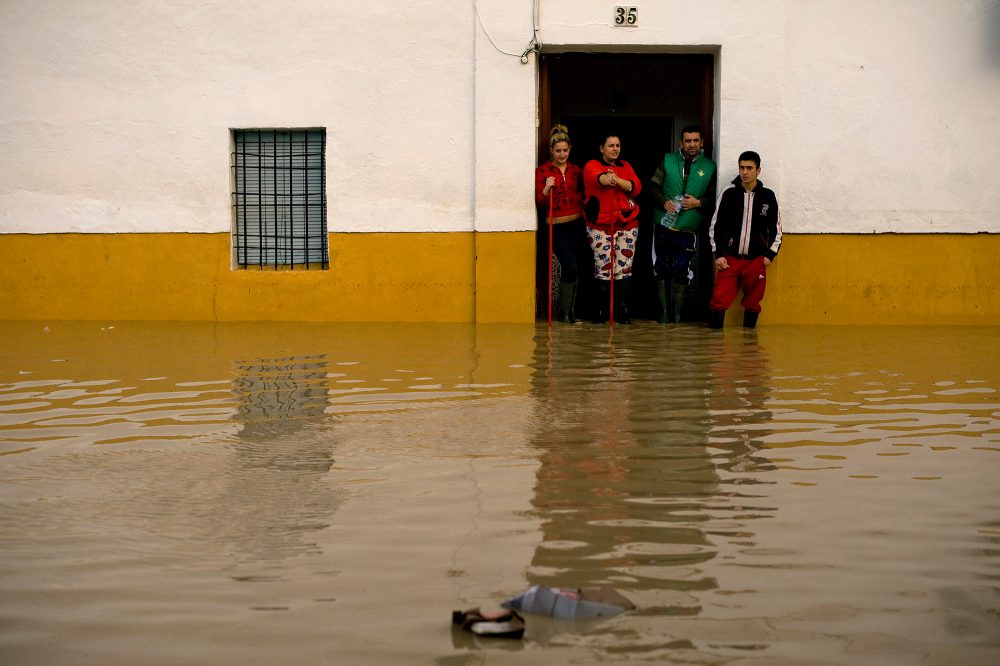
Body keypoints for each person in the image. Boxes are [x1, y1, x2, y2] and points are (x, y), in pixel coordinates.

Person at [649, 125, 716, 323]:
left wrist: (699, 202)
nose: (692, 144)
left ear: (701, 143)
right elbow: (652, 186)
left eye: (696, 140)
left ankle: (677, 317)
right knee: (660, 267)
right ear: (681, 143)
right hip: (663, 224)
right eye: (688, 141)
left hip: (688, 227)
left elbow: (714, 198)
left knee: (681, 269)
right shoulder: (668, 160)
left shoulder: (710, 166)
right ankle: (663, 315)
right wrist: (663, 201)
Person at [707, 150, 782, 329]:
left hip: (756, 260)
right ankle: (714, 346)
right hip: (729, 259)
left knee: (753, 301)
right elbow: (715, 225)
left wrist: (769, 256)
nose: (745, 172)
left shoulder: (768, 196)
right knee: (719, 299)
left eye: (750, 168)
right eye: (742, 167)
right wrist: (718, 254)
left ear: (758, 170)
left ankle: (749, 345)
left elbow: (776, 229)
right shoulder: (729, 193)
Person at [583, 133, 641, 323]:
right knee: (604, 268)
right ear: (602, 148)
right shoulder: (592, 164)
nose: (615, 149)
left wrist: (617, 179)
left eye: (617, 145)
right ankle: (601, 312)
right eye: (610, 146)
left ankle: (622, 312)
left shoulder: (626, 166)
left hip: (626, 224)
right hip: (600, 226)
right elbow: (600, 180)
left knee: (623, 269)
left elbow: (636, 187)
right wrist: (612, 180)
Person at [535, 125, 588, 323]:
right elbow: (539, 201)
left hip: (577, 223)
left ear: (570, 150)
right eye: (558, 151)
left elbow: (586, 194)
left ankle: (573, 311)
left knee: (580, 265)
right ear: (551, 151)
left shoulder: (576, 170)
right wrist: (547, 188)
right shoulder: (542, 171)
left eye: (565, 150)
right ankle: (564, 313)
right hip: (556, 226)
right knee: (570, 265)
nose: (562, 154)